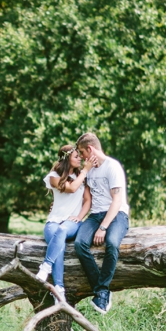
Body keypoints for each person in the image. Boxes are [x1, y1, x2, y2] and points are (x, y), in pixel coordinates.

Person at [73, 132, 129, 314]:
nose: (81, 157)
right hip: (95, 214)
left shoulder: (112, 167)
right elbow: (85, 198)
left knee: (112, 243)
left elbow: (117, 201)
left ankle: (102, 291)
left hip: (117, 214)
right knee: (80, 244)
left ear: (90, 149)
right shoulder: (89, 169)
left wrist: (103, 227)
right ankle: (102, 290)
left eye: (82, 153)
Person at [37, 144, 92, 301]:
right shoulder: (54, 176)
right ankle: (59, 290)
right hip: (53, 221)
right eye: (76, 156)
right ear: (67, 158)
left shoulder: (82, 177)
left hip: (72, 223)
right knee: (58, 245)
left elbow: (87, 201)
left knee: (61, 231)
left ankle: (46, 266)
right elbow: (70, 188)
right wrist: (85, 171)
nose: (80, 158)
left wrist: (80, 217)